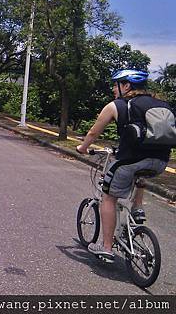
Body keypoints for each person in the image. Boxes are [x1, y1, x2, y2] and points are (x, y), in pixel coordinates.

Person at [76, 69, 171, 262]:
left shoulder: (116, 105)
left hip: (130, 161)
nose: (113, 88)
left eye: (116, 84)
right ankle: (137, 208)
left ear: (126, 85)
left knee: (108, 197)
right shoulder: (163, 105)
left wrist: (82, 148)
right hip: (161, 162)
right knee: (140, 174)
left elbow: (94, 133)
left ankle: (107, 248)